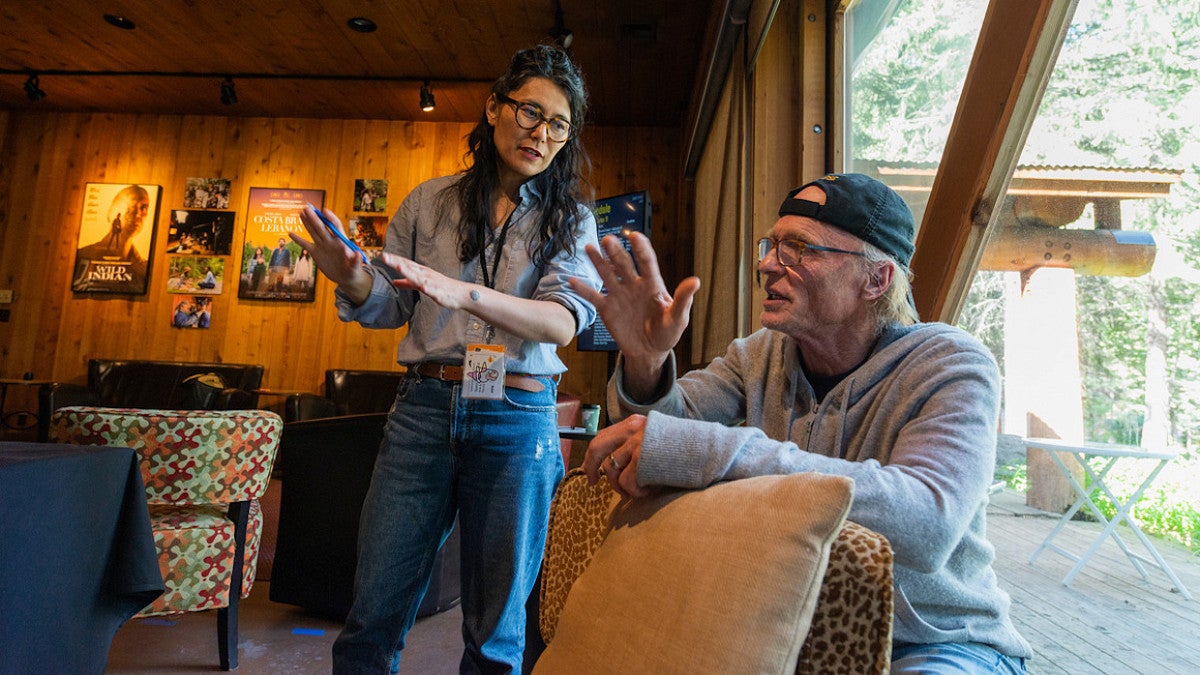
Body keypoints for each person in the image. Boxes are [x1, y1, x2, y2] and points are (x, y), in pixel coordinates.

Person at [571, 173, 1032, 674]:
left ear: (876, 279)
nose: (768, 264)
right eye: (773, 245)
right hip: (783, 625)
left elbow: (926, 523)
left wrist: (718, 451)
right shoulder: (758, 356)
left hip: (931, 642)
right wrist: (645, 362)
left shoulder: (951, 365)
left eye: (799, 248)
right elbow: (658, 442)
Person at [290, 44, 601, 673]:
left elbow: (560, 323)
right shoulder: (427, 202)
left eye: (559, 125)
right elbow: (389, 307)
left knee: (496, 635)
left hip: (518, 418)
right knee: (372, 614)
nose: (542, 134)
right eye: (529, 113)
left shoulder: (572, 219)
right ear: (493, 108)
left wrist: (463, 292)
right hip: (423, 411)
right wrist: (351, 280)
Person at [72, 184, 152, 293]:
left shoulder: (144, 268)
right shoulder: (82, 256)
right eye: (131, 206)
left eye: (144, 207)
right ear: (113, 211)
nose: (138, 214)